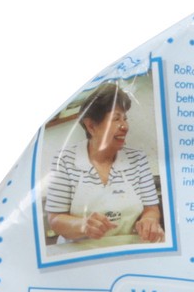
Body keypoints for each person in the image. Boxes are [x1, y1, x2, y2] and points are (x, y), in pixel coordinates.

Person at [46, 82, 165, 245]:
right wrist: (82, 225)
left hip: (127, 248)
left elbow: (151, 208)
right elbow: (55, 219)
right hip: (78, 251)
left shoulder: (138, 159)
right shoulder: (66, 160)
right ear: (91, 126)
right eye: (116, 119)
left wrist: (149, 221)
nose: (125, 126)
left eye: (124, 118)